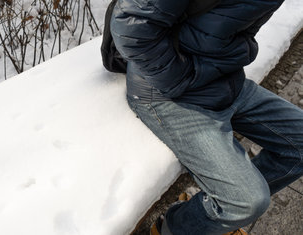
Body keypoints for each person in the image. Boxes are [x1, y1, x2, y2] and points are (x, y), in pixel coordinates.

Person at [110, 0, 303, 234]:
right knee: (247, 201)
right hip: (169, 95)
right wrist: (180, 79)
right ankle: (174, 229)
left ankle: (216, 213)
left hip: (223, 82)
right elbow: (130, 26)